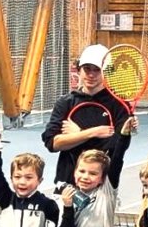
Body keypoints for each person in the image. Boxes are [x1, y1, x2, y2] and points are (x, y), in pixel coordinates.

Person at [41, 43, 135, 188]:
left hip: (103, 185)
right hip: (66, 182)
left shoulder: (119, 105)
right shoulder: (65, 103)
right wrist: (93, 133)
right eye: (87, 69)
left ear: (107, 72)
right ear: (79, 70)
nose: (91, 74)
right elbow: (52, 143)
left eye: (97, 70)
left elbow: (117, 145)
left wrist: (75, 136)